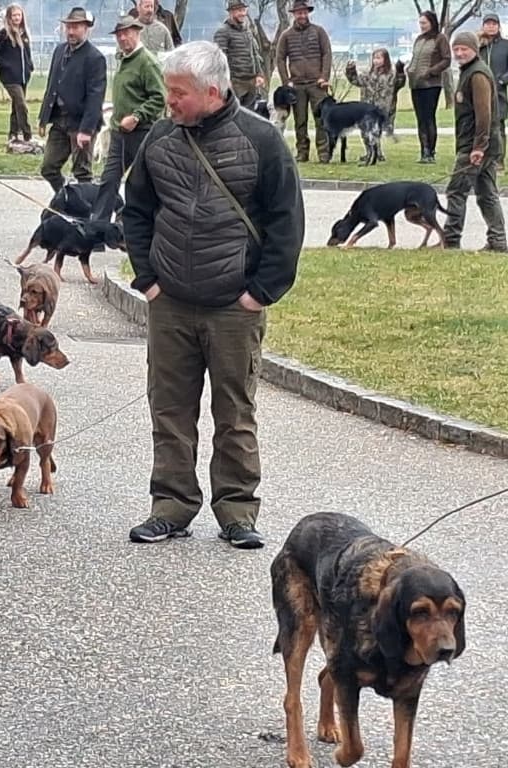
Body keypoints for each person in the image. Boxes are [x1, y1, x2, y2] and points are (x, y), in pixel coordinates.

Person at [122, 40, 304, 549]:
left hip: (234, 307)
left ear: (213, 91)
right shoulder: (159, 137)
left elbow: (287, 223)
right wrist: (148, 279)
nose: (169, 100)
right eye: (168, 89)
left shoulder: (263, 141)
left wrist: (260, 293)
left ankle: (237, 511)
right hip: (171, 302)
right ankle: (171, 507)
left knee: (235, 413)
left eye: (178, 92)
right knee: (170, 410)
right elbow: (135, 211)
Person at [90, 16, 165, 222]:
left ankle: (136, 224)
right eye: (119, 34)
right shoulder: (123, 59)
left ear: (137, 33)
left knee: (140, 183)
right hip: (118, 132)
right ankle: (97, 228)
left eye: (127, 33)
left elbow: (160, 97)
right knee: (109, 180)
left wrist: (137, 116)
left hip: (141, 133)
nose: (122, 38)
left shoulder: (147, 62)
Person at [442, 31, 507, 252]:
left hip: (477, 146)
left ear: (474, 49)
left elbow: (484, 114)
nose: (459, 53)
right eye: (456, 49)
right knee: (487, 194)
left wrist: (479, 147)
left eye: (464, 49)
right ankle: (498, 242)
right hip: (481, 144)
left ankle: (450, 240)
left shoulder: (477, 74)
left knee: (456, 190)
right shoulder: (468, 71)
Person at [36, 6, 107, 193]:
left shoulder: (95, 58)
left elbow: (95, 97)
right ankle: (66, 199)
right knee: (48, 168)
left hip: (81, 123)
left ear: (86, 28)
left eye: (76, 27)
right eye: (68, 27)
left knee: (82, 172)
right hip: (59, 121)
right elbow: (52, 85)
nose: (71, 31)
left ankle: (86, 213)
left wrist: (86, 130)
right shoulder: (59, 51)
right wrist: (43, 118)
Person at [275, 0, 332, 163]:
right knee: (300, 121)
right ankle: (302, 152)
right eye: (299, 12)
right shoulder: (286, 35)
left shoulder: (319, 32)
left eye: (305, 12)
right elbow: (280, 59)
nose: (302, 15)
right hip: (297, 85)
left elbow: (327, 54)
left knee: (321, 119)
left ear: (308, 13)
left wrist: (324, 77)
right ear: (294, 14)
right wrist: (286, 81)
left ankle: (323, 153)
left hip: (317, 84)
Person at [406, 10, 451, 164]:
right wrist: (409, 69)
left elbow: (446, 60)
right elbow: (415, 58)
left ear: (432, 22)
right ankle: (423, 150)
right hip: (416, 84)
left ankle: (430, 151)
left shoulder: (440, 38)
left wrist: (431, 72)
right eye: (420, 23)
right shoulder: (418, 39)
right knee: (420, 119)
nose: (422, 26)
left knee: (428, 118)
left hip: (431, 85)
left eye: (424, 23)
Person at [0, 4, 35, 149]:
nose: (17, 18)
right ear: (9, 17)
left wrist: (30, 65)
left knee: (16, 107)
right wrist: (6, 65)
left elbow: (27, 53)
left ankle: (13, 134)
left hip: (23, 77)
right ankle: (28, 135)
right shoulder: (3, 35)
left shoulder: (25, 33)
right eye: (14, 15)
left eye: (19, 15)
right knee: (21, 105)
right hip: (10, 78)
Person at [345, 48, 405, 150]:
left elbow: (399, 83)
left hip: (383, 108)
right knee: (365, 132)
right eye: (374, 58)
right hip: (367, 108)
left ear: (386, 59)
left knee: (377, 131)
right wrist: (351, 70)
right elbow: (355, 81)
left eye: (379, 58)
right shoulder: (367, 74)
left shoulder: (391, 75)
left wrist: (400, 72)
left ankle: (377, 152)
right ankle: (370, 152)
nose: (376, 61)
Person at [213, 0, 265, 110]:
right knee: (232, 115)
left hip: (251, 82)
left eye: (244, 10)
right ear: (231, 12)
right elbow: (220, 59)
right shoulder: (223, 32)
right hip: (235, 83)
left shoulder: (248, 31)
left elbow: (255, 54)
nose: (242, 13)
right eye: (239, 10)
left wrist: (259, 74)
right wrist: (225, 80)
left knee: (249, 117)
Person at [479, 12, 508, 164]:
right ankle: (482, 157)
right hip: (480, 92)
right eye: (488, 24)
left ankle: (499, 160)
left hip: (499, 93)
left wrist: (502, 80)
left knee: (498, 127)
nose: (490, 27)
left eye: (493, 24)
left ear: (498, 26)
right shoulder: (479, 46)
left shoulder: (505, 45)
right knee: (482, 126)